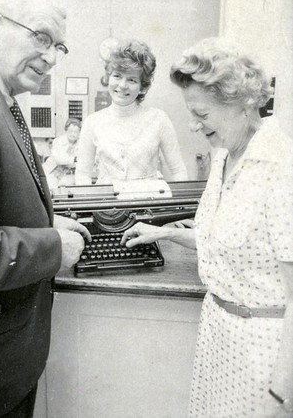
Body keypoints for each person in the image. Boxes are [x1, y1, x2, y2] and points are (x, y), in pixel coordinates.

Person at [121, 38, 293, 418]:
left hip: (261, 356)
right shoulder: (224, 157)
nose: (193, 125)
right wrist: (163, 233)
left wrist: (284, 392)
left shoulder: (281, 169)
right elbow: (226, 243)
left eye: (201, 114)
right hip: (218, 338)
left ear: (243, 103)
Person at [0, 0, 91, 418]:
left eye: (59, 47)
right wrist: (55, 246)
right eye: (41, 38)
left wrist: (51, 224)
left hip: (3, 362)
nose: (51, 58)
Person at [75, 39, 188, 185]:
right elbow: (83, 174)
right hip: (106, 205)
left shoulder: (159, 119)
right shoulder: (93, 122)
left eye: (132, 80)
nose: (122, 85)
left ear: (143, 87)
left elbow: (178, 171)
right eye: (117, 76)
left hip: (149, 204)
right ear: (108, 77)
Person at [43, 118, 81, 190]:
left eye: (75, 132)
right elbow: (58, 159)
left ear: (79, 132)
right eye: (70, 131)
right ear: (66, 131)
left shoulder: (80, 144)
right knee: (51, 190)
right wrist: (75, 159)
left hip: (67, 174)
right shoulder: (58, 141)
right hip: (52, 172)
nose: (73, 134)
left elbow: (82, 160)